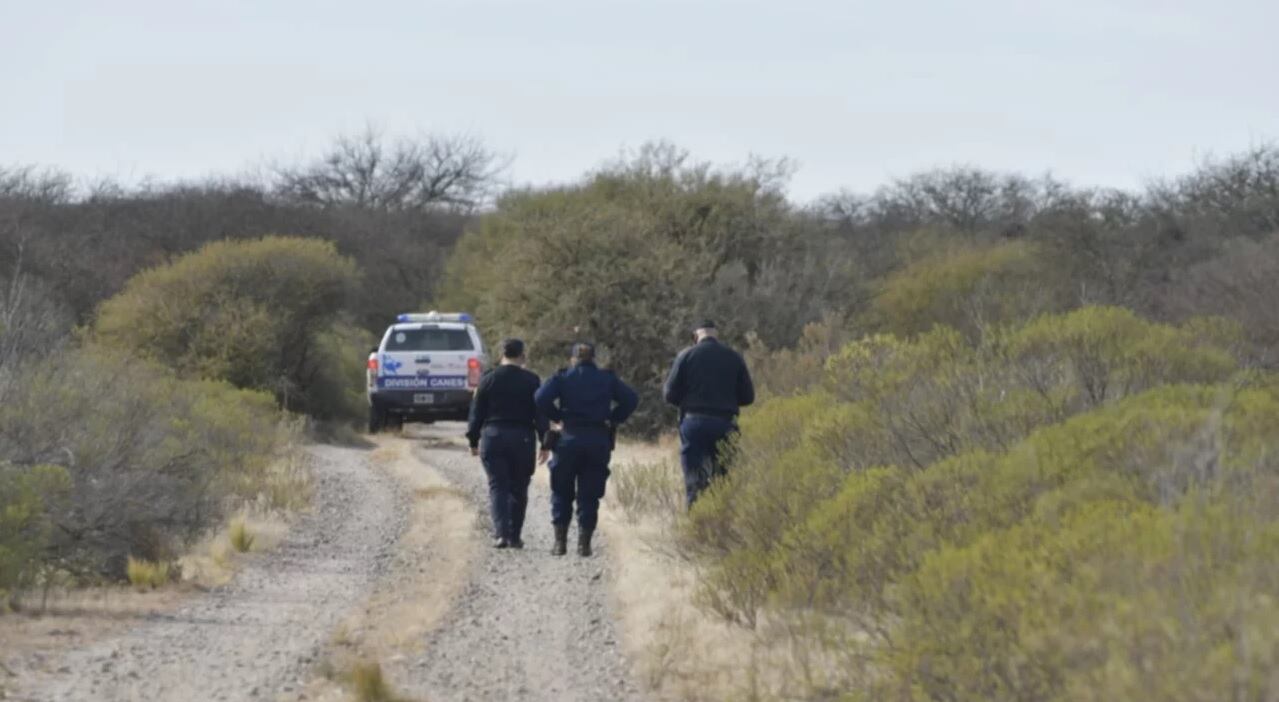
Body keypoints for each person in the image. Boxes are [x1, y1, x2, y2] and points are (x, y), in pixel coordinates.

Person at [534, 342, 639, 556]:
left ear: (573, 359)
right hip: (597, 439)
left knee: (561, 491)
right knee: (589, 494)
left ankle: (560, 544)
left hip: (568, 439)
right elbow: (631, 399)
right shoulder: (607, 378)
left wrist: (557, 417)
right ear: (593, 359)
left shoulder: (563, 377)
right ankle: (584, 545)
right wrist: (613, 418)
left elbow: (540, 398)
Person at [466, 338, 549, 549]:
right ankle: (514, 536)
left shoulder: (488, 379)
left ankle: (500, 534)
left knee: (498, 486)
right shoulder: (532, 380)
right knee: (519, 488)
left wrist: (473, 439)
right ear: (522, 355)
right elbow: (540, 414)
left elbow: (476, 413)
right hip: (522, 438)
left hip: (493, 436)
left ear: (502, 355)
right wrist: (546, 442)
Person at [663, 320, 755, 507]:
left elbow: (670, 395)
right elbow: (748, 397)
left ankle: (696, 523)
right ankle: (721, 523)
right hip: (725, 424)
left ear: (696, 336)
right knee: (722, 481)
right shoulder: (733, 357)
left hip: (694, 423)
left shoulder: (686, 356)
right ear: (716, 335)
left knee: (694, 481)